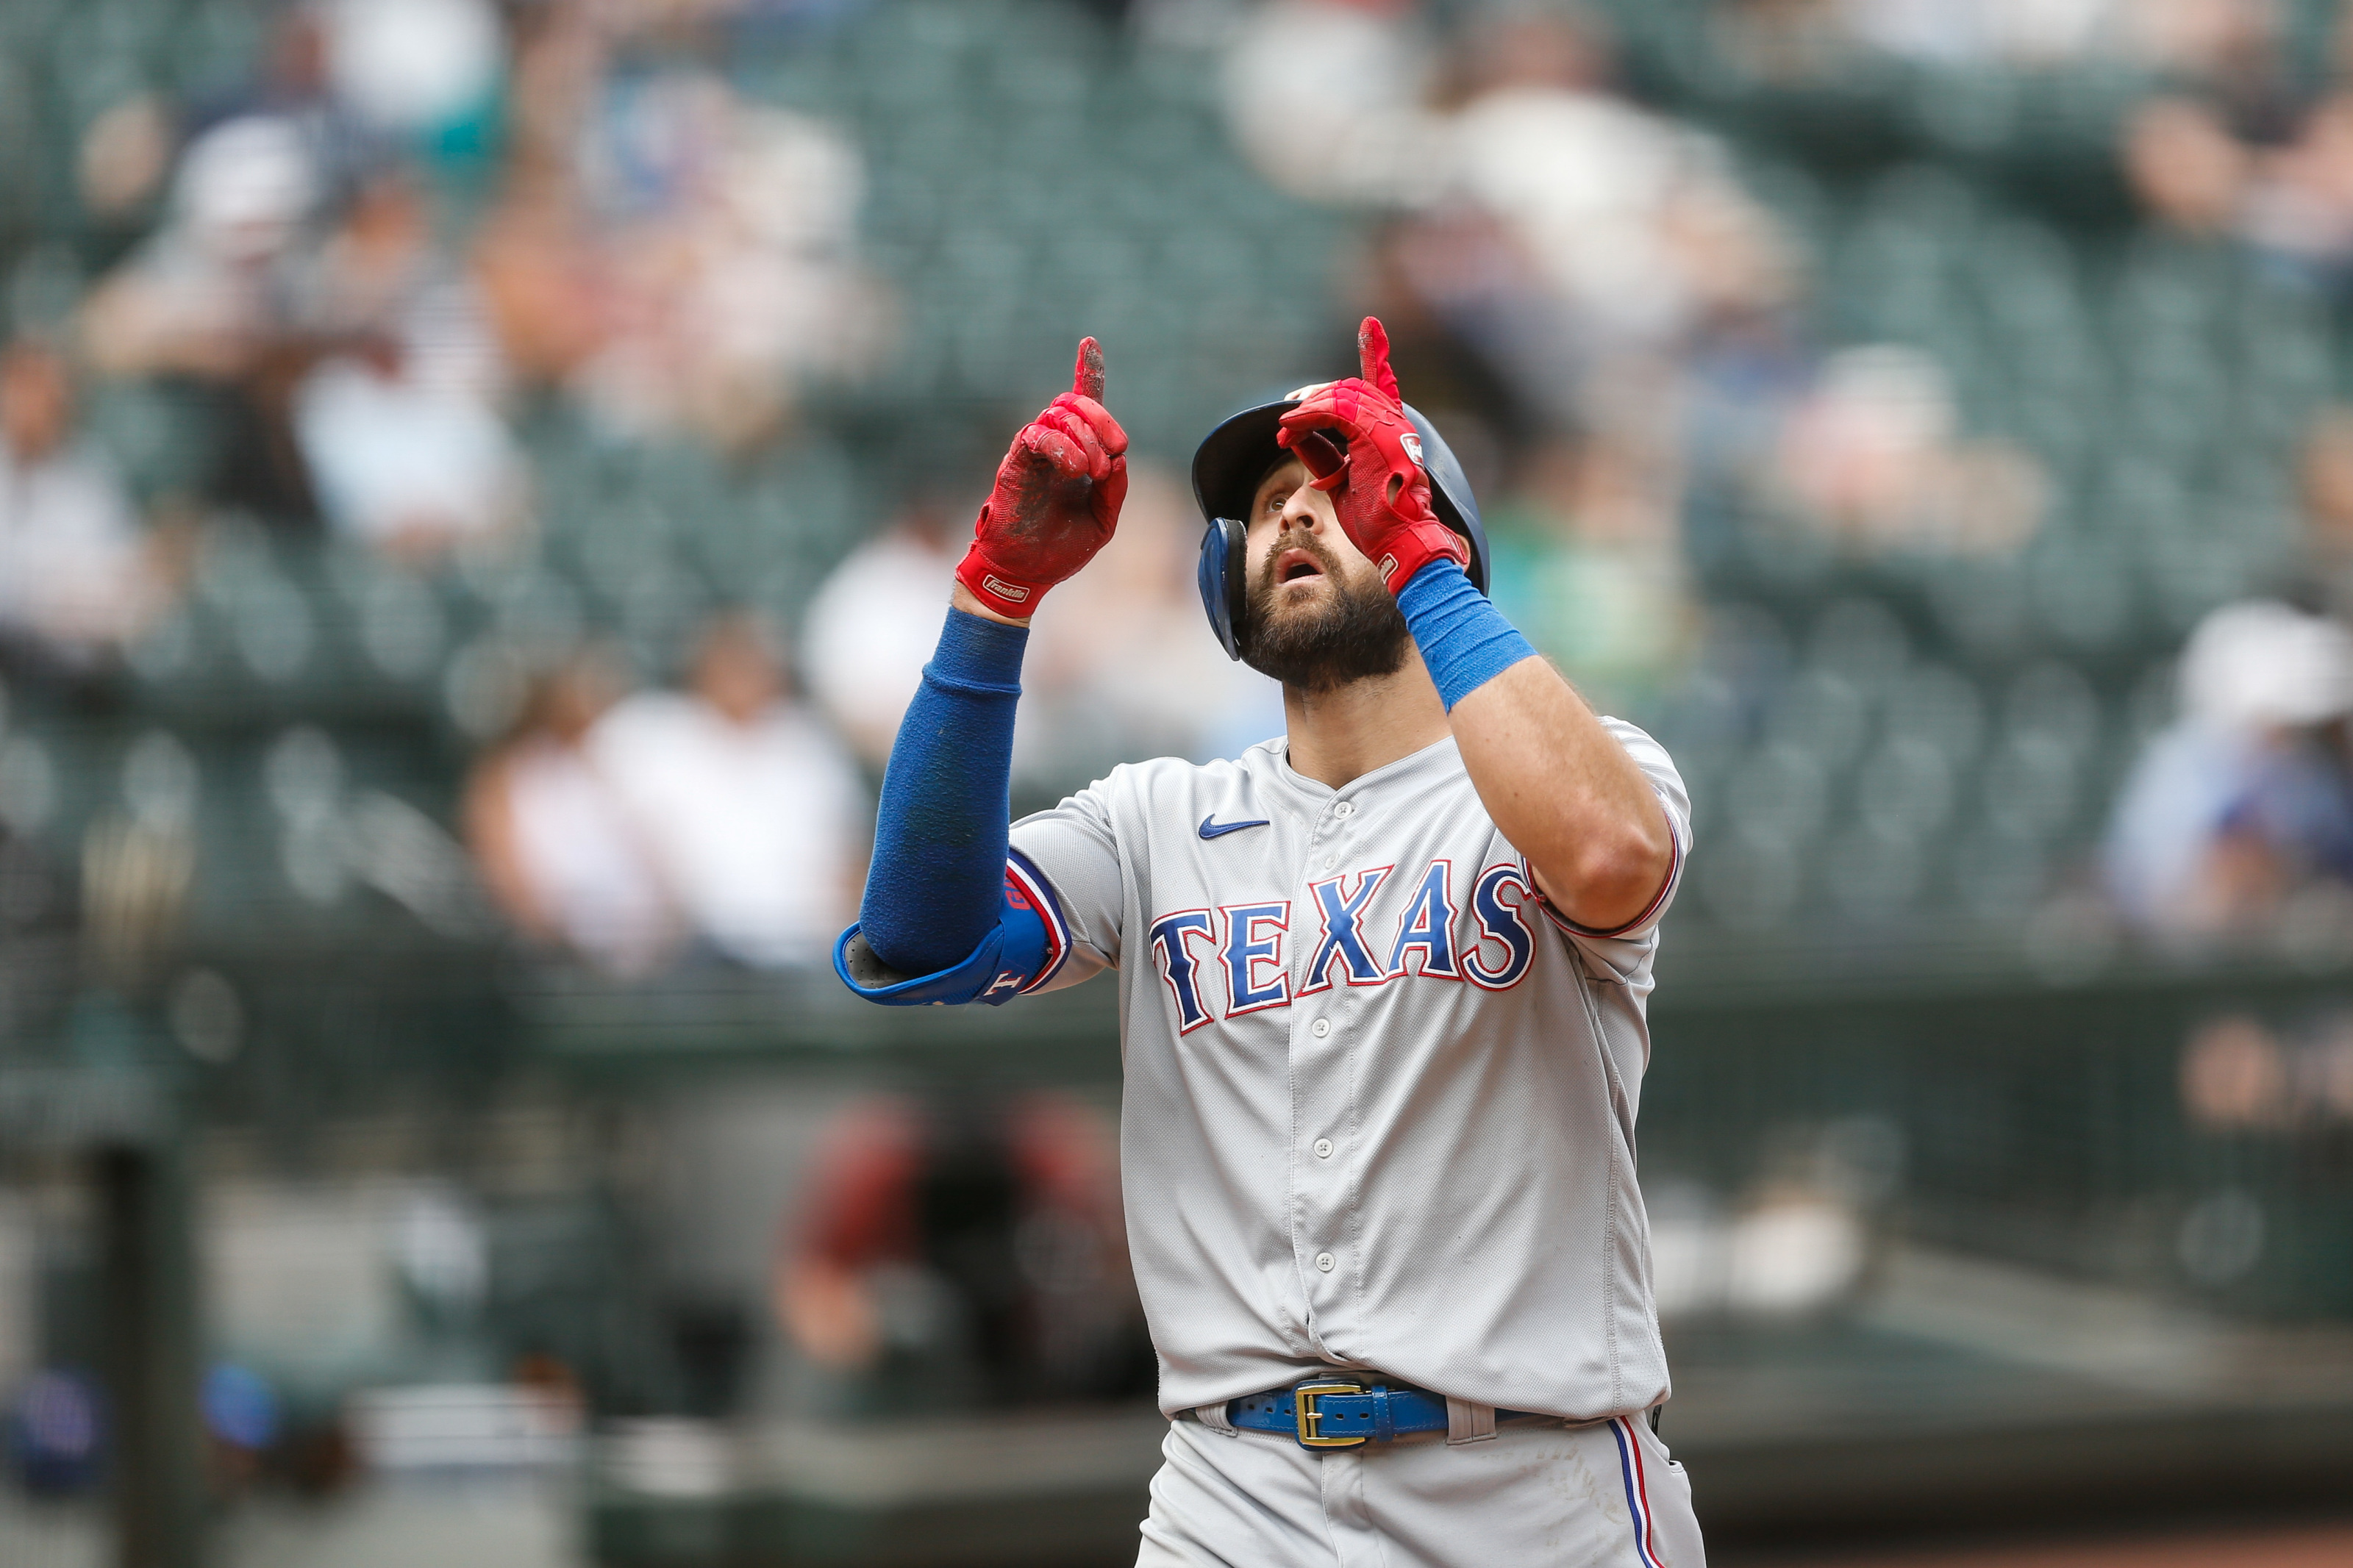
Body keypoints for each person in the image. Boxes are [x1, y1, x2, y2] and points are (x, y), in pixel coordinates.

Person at [835, 326, 1703, 1566]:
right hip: (1234, 1497)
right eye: (1267, 505)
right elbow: (922, 932)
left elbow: (1611, 856)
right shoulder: (1154, 821)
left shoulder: (1577, 774)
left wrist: (1419, 563)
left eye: (1341, 489)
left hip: (1530, 1484)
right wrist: (995, 599)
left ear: (1435, 533)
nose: (1296, 514)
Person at [591, 611, 867, 970]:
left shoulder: (806, 743)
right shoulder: (649, 731)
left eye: (754, 662)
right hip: (690, 948)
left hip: (803, 950)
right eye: (732, 663)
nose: (743, 677)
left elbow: (852, 855)